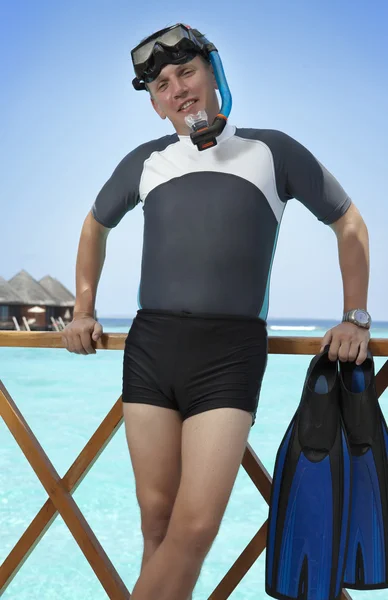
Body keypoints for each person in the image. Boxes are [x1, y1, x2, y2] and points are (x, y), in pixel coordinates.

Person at [62, 24, 371, 600]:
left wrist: (355, 316)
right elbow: (94, 226)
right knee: (156, 522)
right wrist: (83, 308)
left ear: (214, 74)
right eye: (161, 84)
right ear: (154, 104)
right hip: (151, 348)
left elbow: (348, 222)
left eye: (187, 72)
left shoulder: (271, 150)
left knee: (196, 526)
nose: (177, 88)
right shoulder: (146, 161)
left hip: (230, 354)